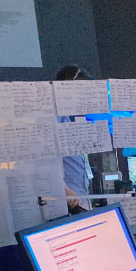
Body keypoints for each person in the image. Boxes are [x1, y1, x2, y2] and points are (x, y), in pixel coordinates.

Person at [55, 65, 94, 212]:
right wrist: (63, 189)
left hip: (80, 197)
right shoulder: (53, 118)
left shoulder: (67, 117)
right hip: (68, 200)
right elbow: (43, 164)